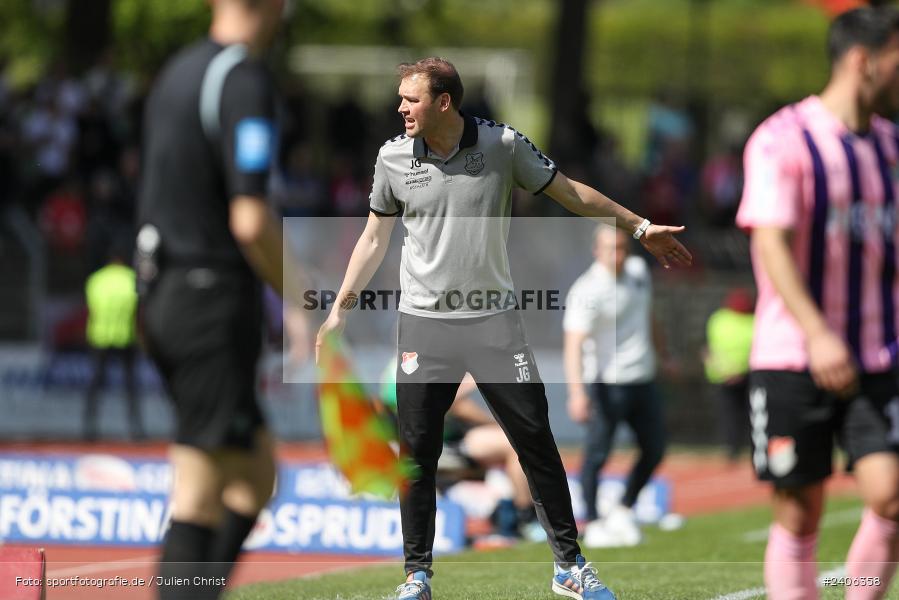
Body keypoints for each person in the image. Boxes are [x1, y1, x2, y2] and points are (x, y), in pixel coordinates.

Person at [316, 57, 691, 600]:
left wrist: (639, 226)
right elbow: (374, 238)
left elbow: (570, 192)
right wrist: (339, 309)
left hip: (494, 324)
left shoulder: (502, 145)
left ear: (444, 101)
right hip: (424, 327)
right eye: (400, 98)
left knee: (535, 441)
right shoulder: (392, 157)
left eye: (411, 99)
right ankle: (415, 577)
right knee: (416, 453)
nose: (400, 108)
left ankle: (569, 566)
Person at [136, 1, 300, 598]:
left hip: (165, 293)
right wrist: (303, 299)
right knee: (199, 489)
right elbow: (250, 220)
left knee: (254, 476)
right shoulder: (244, 77)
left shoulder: (177, 72)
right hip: (207, 299)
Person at [736, 7, 899, 599]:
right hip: (793, 354)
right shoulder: (783, 139)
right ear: (867, 60)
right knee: (800, 509)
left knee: (892, 494)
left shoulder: (890, 145)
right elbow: (772, 246)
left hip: (879, 354)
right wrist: (818, 331)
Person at [563, 226, 667, 549]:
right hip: (607, 385)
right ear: (596, 250)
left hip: (643, 378)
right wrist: (577, 392)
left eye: (622, 248)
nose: (618, 255)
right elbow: (574, 344)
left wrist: (664, 354)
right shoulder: (587, 291)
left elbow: (648, 314)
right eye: (610, 248)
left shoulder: (638, 272)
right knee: (597, 454)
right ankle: (593, 522)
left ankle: (623, 509)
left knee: (655, 448)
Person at [380, 365, 542, 542]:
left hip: (455, 442)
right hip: (425, 447)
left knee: (517, 441)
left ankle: (526, 517)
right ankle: (520, 519)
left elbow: (459, 406)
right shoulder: (402, 366)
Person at [83, 240, 143, 442]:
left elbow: (91, 309)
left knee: (95, 385)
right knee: (130, 387)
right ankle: (136, 429)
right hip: (126, 336)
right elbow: (138, 311)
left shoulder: (96, 280)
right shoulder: (131, 279)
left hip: (99, 337)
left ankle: (89, 428)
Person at [703, 288, 754, 462]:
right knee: (735, 414)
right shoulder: (749, 321)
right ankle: (735, 447)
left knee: (737, 414)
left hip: (735, 375)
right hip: (732, 375)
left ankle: (738, 448)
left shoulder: (719, 319)